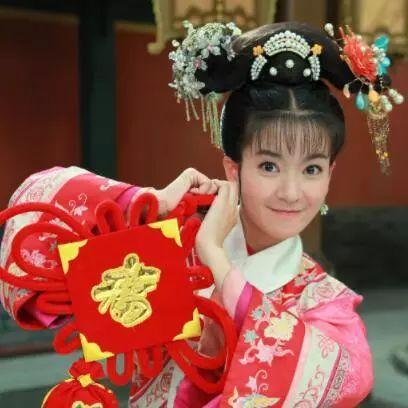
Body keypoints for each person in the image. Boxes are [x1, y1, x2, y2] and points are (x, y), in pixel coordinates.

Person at [129, 20, 403, 407]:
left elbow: (348, 377)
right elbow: (49, 261)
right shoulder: (174, 253)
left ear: (329, 175)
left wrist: (217, 261)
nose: (291, 193)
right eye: (269, 166)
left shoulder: (326, 304)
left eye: (312, 169)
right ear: (233, 168)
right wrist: (144, 209)